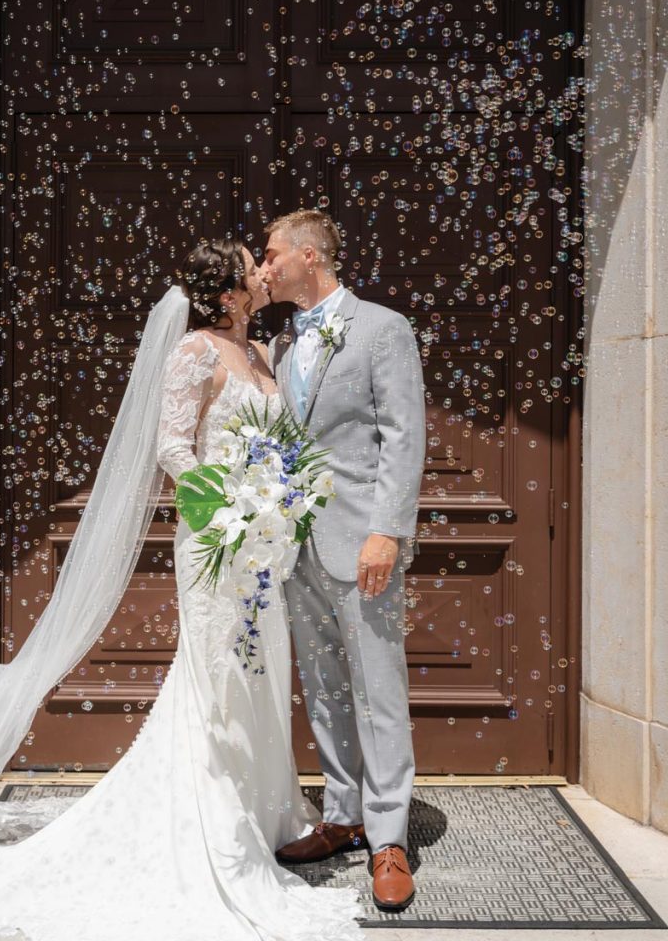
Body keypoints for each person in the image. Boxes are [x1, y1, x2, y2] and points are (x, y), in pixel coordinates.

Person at [0, 240, 362, 941]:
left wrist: (281, 500)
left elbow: (282, 445)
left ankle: (265, 811)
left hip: (265, 549)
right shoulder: (195, 354)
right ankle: (214, 825)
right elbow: (173, 447)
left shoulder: (267, 355)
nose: (262, 271)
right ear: (228, 294)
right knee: (218, 676)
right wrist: (228, 504)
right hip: (218, 542)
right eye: (252, 266)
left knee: (263, 674)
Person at [262, 210, 426, 912]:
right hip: (296, 544)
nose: (264, 267)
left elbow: (403, 433)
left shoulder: (382, 328)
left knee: (377, 689)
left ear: (308, 255)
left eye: (272, 254)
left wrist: (387, 530)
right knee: (324, 686)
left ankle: (389, 837)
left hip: (361, 542)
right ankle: (343, 813)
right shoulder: (277, 343)